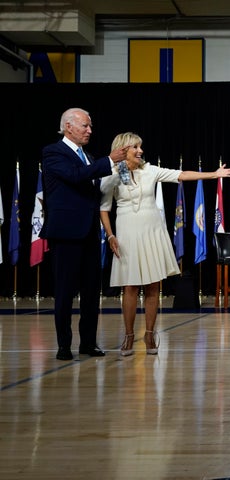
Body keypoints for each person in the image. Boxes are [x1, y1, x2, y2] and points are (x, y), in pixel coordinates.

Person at [100, 132, 230, 356]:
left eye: (140, 147)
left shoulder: (150, 170)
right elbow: (104, 209)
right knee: (130, 286)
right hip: (126, 233)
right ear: (123, 149)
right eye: (136, 147)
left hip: (152, 231)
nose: (140, 151)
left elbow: (181, 175)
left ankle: (150, 334)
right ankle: (128, 335)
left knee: (153, 285)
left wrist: (214, 174)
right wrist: (110, 235)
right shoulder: (111, 175)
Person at [41, 107, 128, 361]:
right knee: (65, 292)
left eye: (90, 126)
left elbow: (95, 185)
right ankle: (64, 345)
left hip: (89, 232)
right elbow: (75, 176)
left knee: (91, 292)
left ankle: (88, 342)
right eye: (85, 126)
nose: (90, 130)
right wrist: (109, 160)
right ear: (68, 127)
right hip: (66, 233)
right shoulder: (53, 152)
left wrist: (118, 174)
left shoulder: (87, 156)